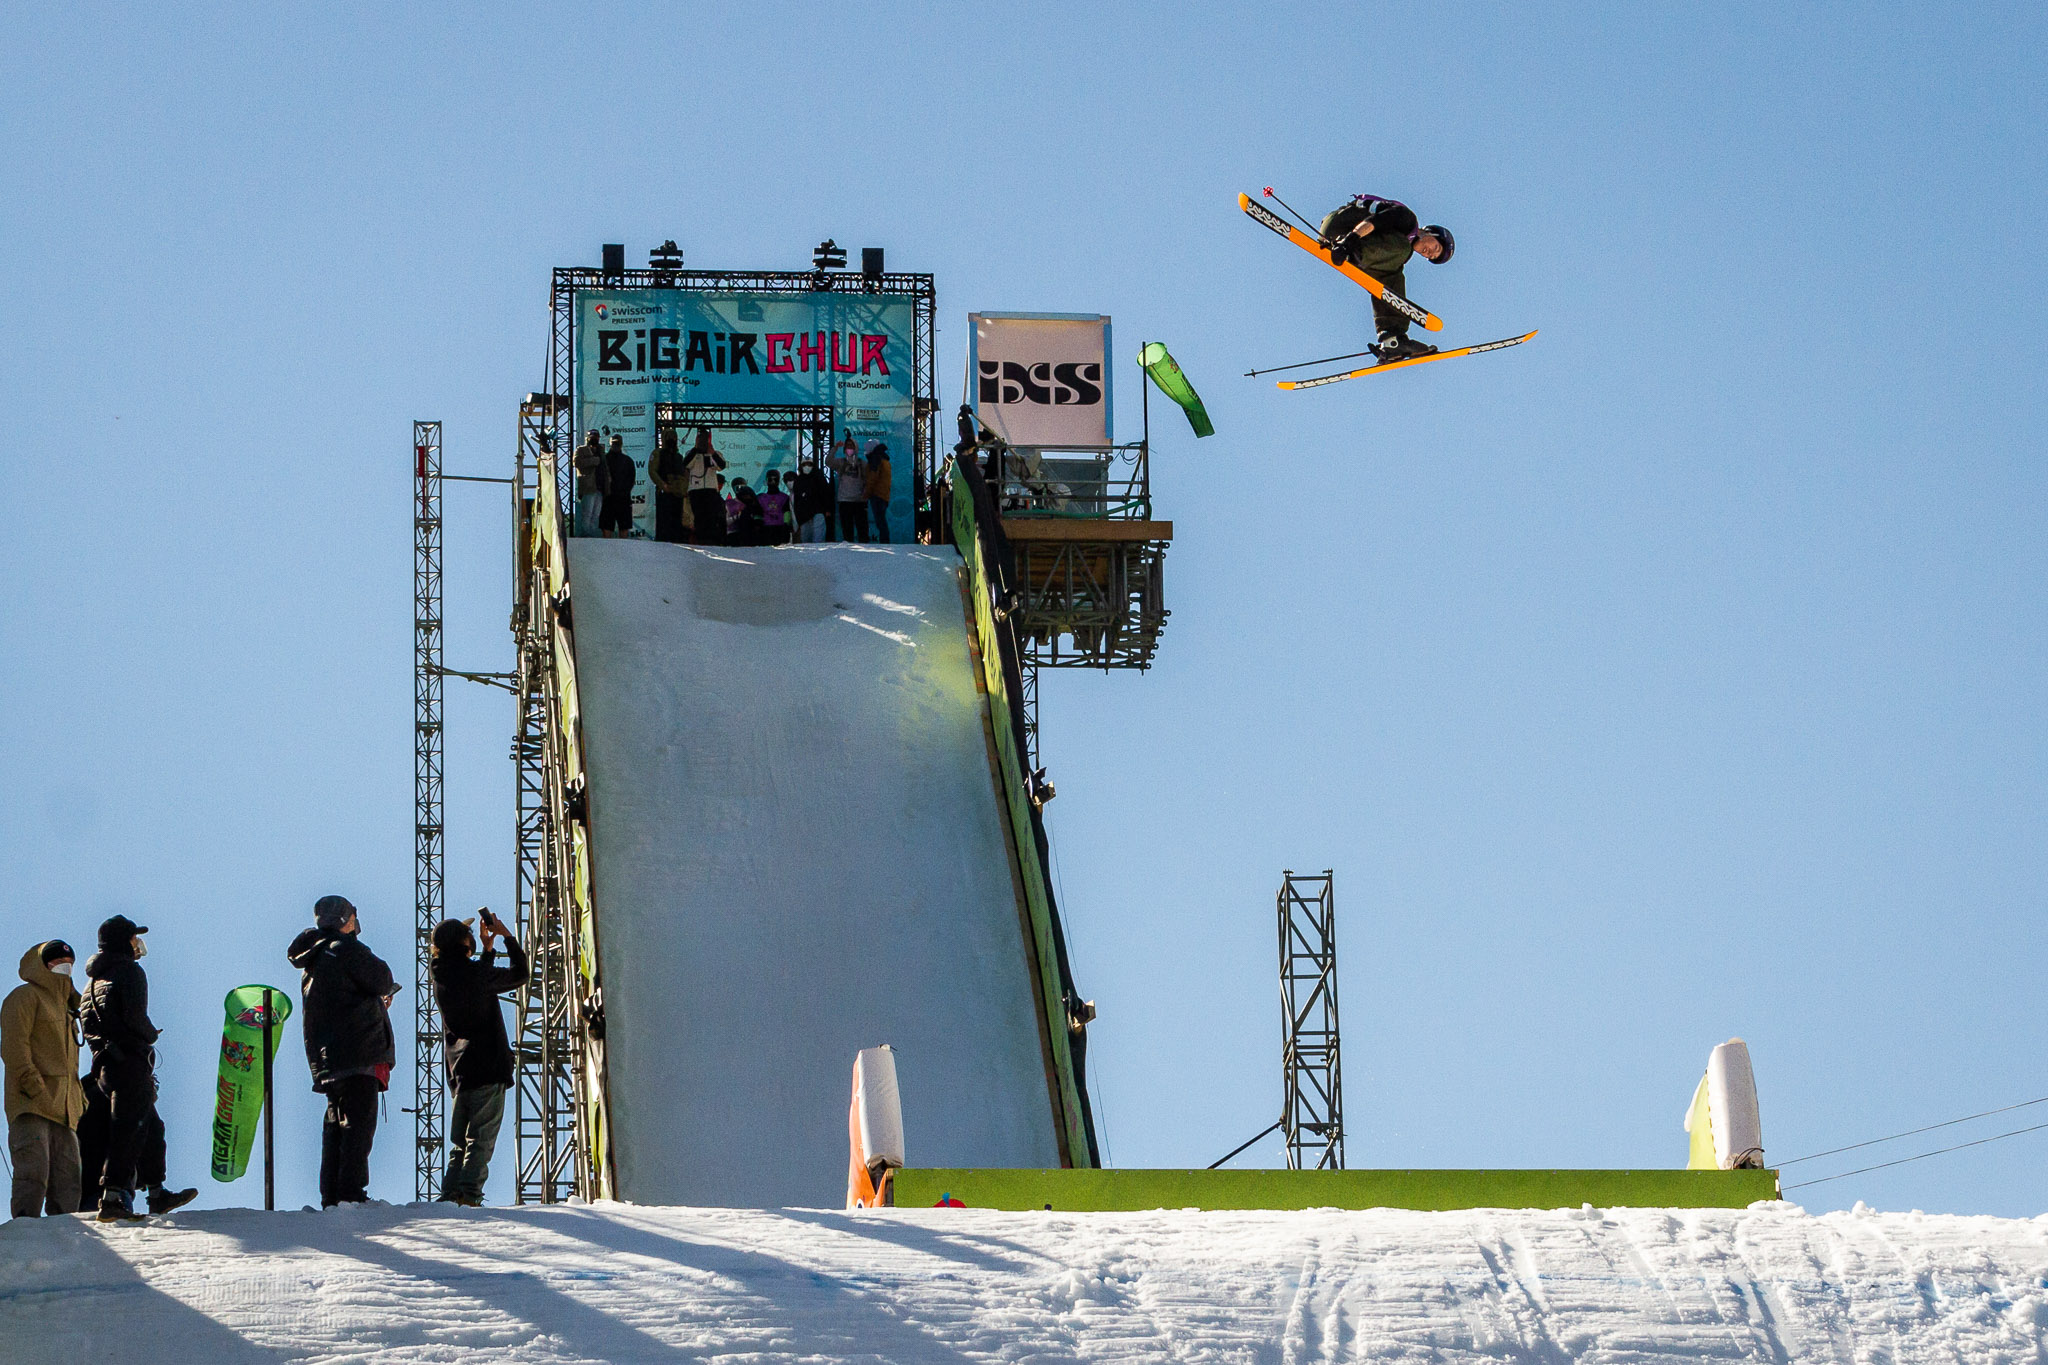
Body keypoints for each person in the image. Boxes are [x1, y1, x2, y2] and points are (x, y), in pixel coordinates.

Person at [78, 917, 195, 1222]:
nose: (137, 944)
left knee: (150, 1127)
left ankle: (157, 1193)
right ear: (123, 941)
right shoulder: (129, 971)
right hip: (129, 1062)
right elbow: (134, 1016)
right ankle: (113, 1195)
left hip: (105, 1067)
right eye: (133, 938)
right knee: (128, 1130)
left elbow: (90, 1028)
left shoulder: (90, 984)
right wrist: (151, 1035)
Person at [288, 895, 397, 1208]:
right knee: (358, 1128)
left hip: (328, 1058)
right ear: (345, 919)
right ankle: (351, 1196)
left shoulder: (315, 958)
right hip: (358, 1054)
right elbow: (381, 978)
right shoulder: (345, 949)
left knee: (336, 1127)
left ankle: (332, 1197)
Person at [430, 908, 527, 1206]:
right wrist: (506, 937)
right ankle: (469, 1195)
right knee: (481, 1141)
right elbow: (520, 975)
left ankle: (450, 1196)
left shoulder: (442, 974)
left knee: (460, 1143)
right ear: (465, 943)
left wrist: (486, 951)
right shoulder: (475, 974)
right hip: (488, 1065)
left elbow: (475, 980)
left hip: (461, 1069)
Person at [1318, 194, 1455, 362]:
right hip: (1343, 224)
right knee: (1401, 251)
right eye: (1435, 247)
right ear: (1430, 233)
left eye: (1432, 256)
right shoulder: (1408, 221)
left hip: (1348, 241)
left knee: (1393, 275)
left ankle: (1392, 340)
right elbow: (1378, 220)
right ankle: (1355, 253)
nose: (1430, 252)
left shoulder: (1395, 251)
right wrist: (1350, 242)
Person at [3, 940, 85, 1219]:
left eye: (69, 964)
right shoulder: (25, 997)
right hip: (32, 1105)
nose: (63, 968)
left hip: (65, 1111)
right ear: (42, 965)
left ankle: (66, 1244)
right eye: (56, 962)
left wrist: (79, 1102)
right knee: (33, 1173)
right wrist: (36, 1089)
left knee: (69, 1182)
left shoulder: (70, 1010)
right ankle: (25, 1238)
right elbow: (14, 1048)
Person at [682, 428, 728, 547]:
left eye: (704, 439)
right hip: (695, 491)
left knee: (711, 518)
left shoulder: (715, 453)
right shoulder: (690, 453)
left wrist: (711, 452)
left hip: (710, 490)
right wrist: (696, 449)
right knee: (699, 518)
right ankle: (701, 542)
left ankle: (712, 542)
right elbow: (685, 464)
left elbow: (721, 466)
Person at [648, 428, 689, 543]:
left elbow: (684, 474)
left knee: (676, 524)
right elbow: (652, 471)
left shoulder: (679, 457)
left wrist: (684, 488)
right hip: (665, 493)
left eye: (674, 437)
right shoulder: (658, 453)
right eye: (669, 437)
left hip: (678, 494)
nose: (672, 439)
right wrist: (662, 485)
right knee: (664, 523)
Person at [831, 434, 869, 542]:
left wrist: (865, 494)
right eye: (847, 446)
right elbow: (828, 462)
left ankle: (866, 552)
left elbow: (867, 480)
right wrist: (835, 448)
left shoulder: (862, 463)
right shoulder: (841, 462)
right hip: (844, 500)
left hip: (859, 501)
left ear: (856, 448)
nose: (849, 449)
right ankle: (848, 551)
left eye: (851, 446)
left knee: (862, 530)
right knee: (847, 530)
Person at [599, 434, 636, 538]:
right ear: (610, 444)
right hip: (610, 498)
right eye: (614, 443)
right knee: (607, 528)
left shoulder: (627, 461)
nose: (616, 446)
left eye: (617, 443)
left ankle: (622, 552)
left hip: (620, 498)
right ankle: (607, 552)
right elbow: (599, 479)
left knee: (623, 528)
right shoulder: (604, 460)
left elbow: (632, 480)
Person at [790, 458, 832, 543]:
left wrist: (827, 509)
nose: (807, 467)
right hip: (804, 515)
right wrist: (799, 516)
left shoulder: (819, 478)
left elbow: (825, 494)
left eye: (809, 464)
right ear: (801, 467)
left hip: (818, 511)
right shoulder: (798, 480)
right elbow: (797, 500)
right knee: (805, 539)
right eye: (804, 465)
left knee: (818, 538)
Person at [573, 431, 605, 537]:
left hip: (600, 487)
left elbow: (605, 467)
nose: (594, 439)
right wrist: (594, 460)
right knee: (587, 513)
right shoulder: (581, 450)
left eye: (596, 437)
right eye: (592, 437)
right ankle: (585, 535)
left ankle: (593, 535)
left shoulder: (601, 451)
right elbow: (577, 462)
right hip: (588, 486)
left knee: (596, 514)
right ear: (587, 438)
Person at [863, 442, 893, 545]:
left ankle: (884, 541)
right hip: (884, 495)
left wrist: (866, 493)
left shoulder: (875, 459)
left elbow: (872, 478)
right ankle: (885, 539)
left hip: (877, 494)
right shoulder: (885, 460)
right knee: (882, 519)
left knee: (880, 521)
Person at [757, 470, 793, 545]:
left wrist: (786, 525)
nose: (773, 482)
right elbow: (758, 512)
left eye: (775, 479)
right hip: (766, 529)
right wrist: (758, 525)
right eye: (770, 479)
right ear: (766, 481)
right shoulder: (761, 498)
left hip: (780, 529)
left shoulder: (784, 497)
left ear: (779, 481)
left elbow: (787, 512)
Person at [730, 478, 766, 547]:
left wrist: (757, 523)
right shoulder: (731, 504)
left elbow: (758, 515)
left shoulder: (754, 504)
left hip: (755, 537)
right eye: (737, 488)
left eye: (741, 487)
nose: (739, 490)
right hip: (740, 536)